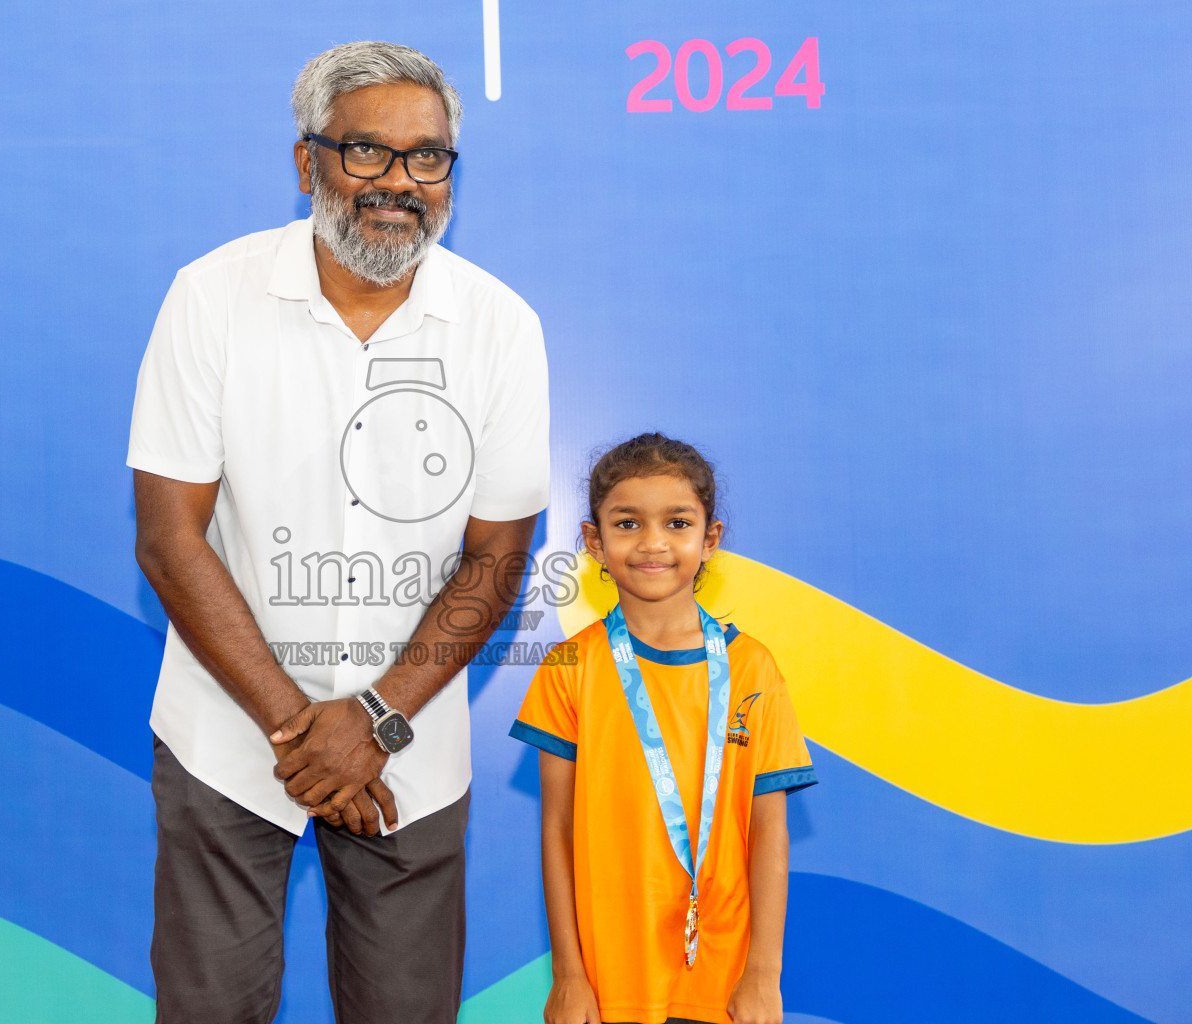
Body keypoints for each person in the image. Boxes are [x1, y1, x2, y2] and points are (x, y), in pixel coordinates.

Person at [128, 40, 550, 1024]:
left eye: (427, 158)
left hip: (412, 752)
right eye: (367, 152)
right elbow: (168, 538)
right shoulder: (210, 297)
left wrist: (375, 721)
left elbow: (497, 563)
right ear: (306, 160)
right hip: (225, 743)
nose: (398, 183)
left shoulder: (501, 326)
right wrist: (299, 727)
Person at [510, 433, 817, 1024]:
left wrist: (763, 975)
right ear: (594, 542)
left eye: (677, 523)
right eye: (628, 524)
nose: (653, 542)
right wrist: (569, 976)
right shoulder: (569, 667)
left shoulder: (752, 667)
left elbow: (769, 831)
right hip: (606, 982)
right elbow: (557, 828)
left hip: (724, 979)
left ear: (711, 539)